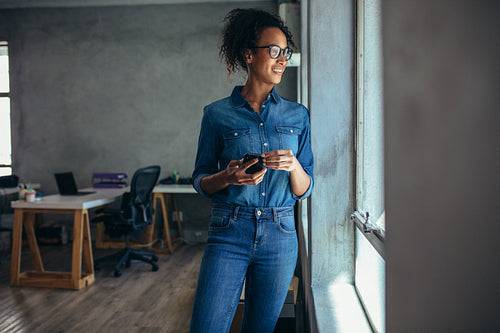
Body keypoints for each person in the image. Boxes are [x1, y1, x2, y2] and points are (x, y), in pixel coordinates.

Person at [190, 8, 314, 333]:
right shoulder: (216, 115)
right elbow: (200, 180)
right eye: (274, 50)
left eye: (285, 52)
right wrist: (229, 176)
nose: (282, 59)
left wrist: (293, 165)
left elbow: (305, 187)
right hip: (229, 230)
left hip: (281, 231)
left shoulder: (298, 116)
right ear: (248, 54)